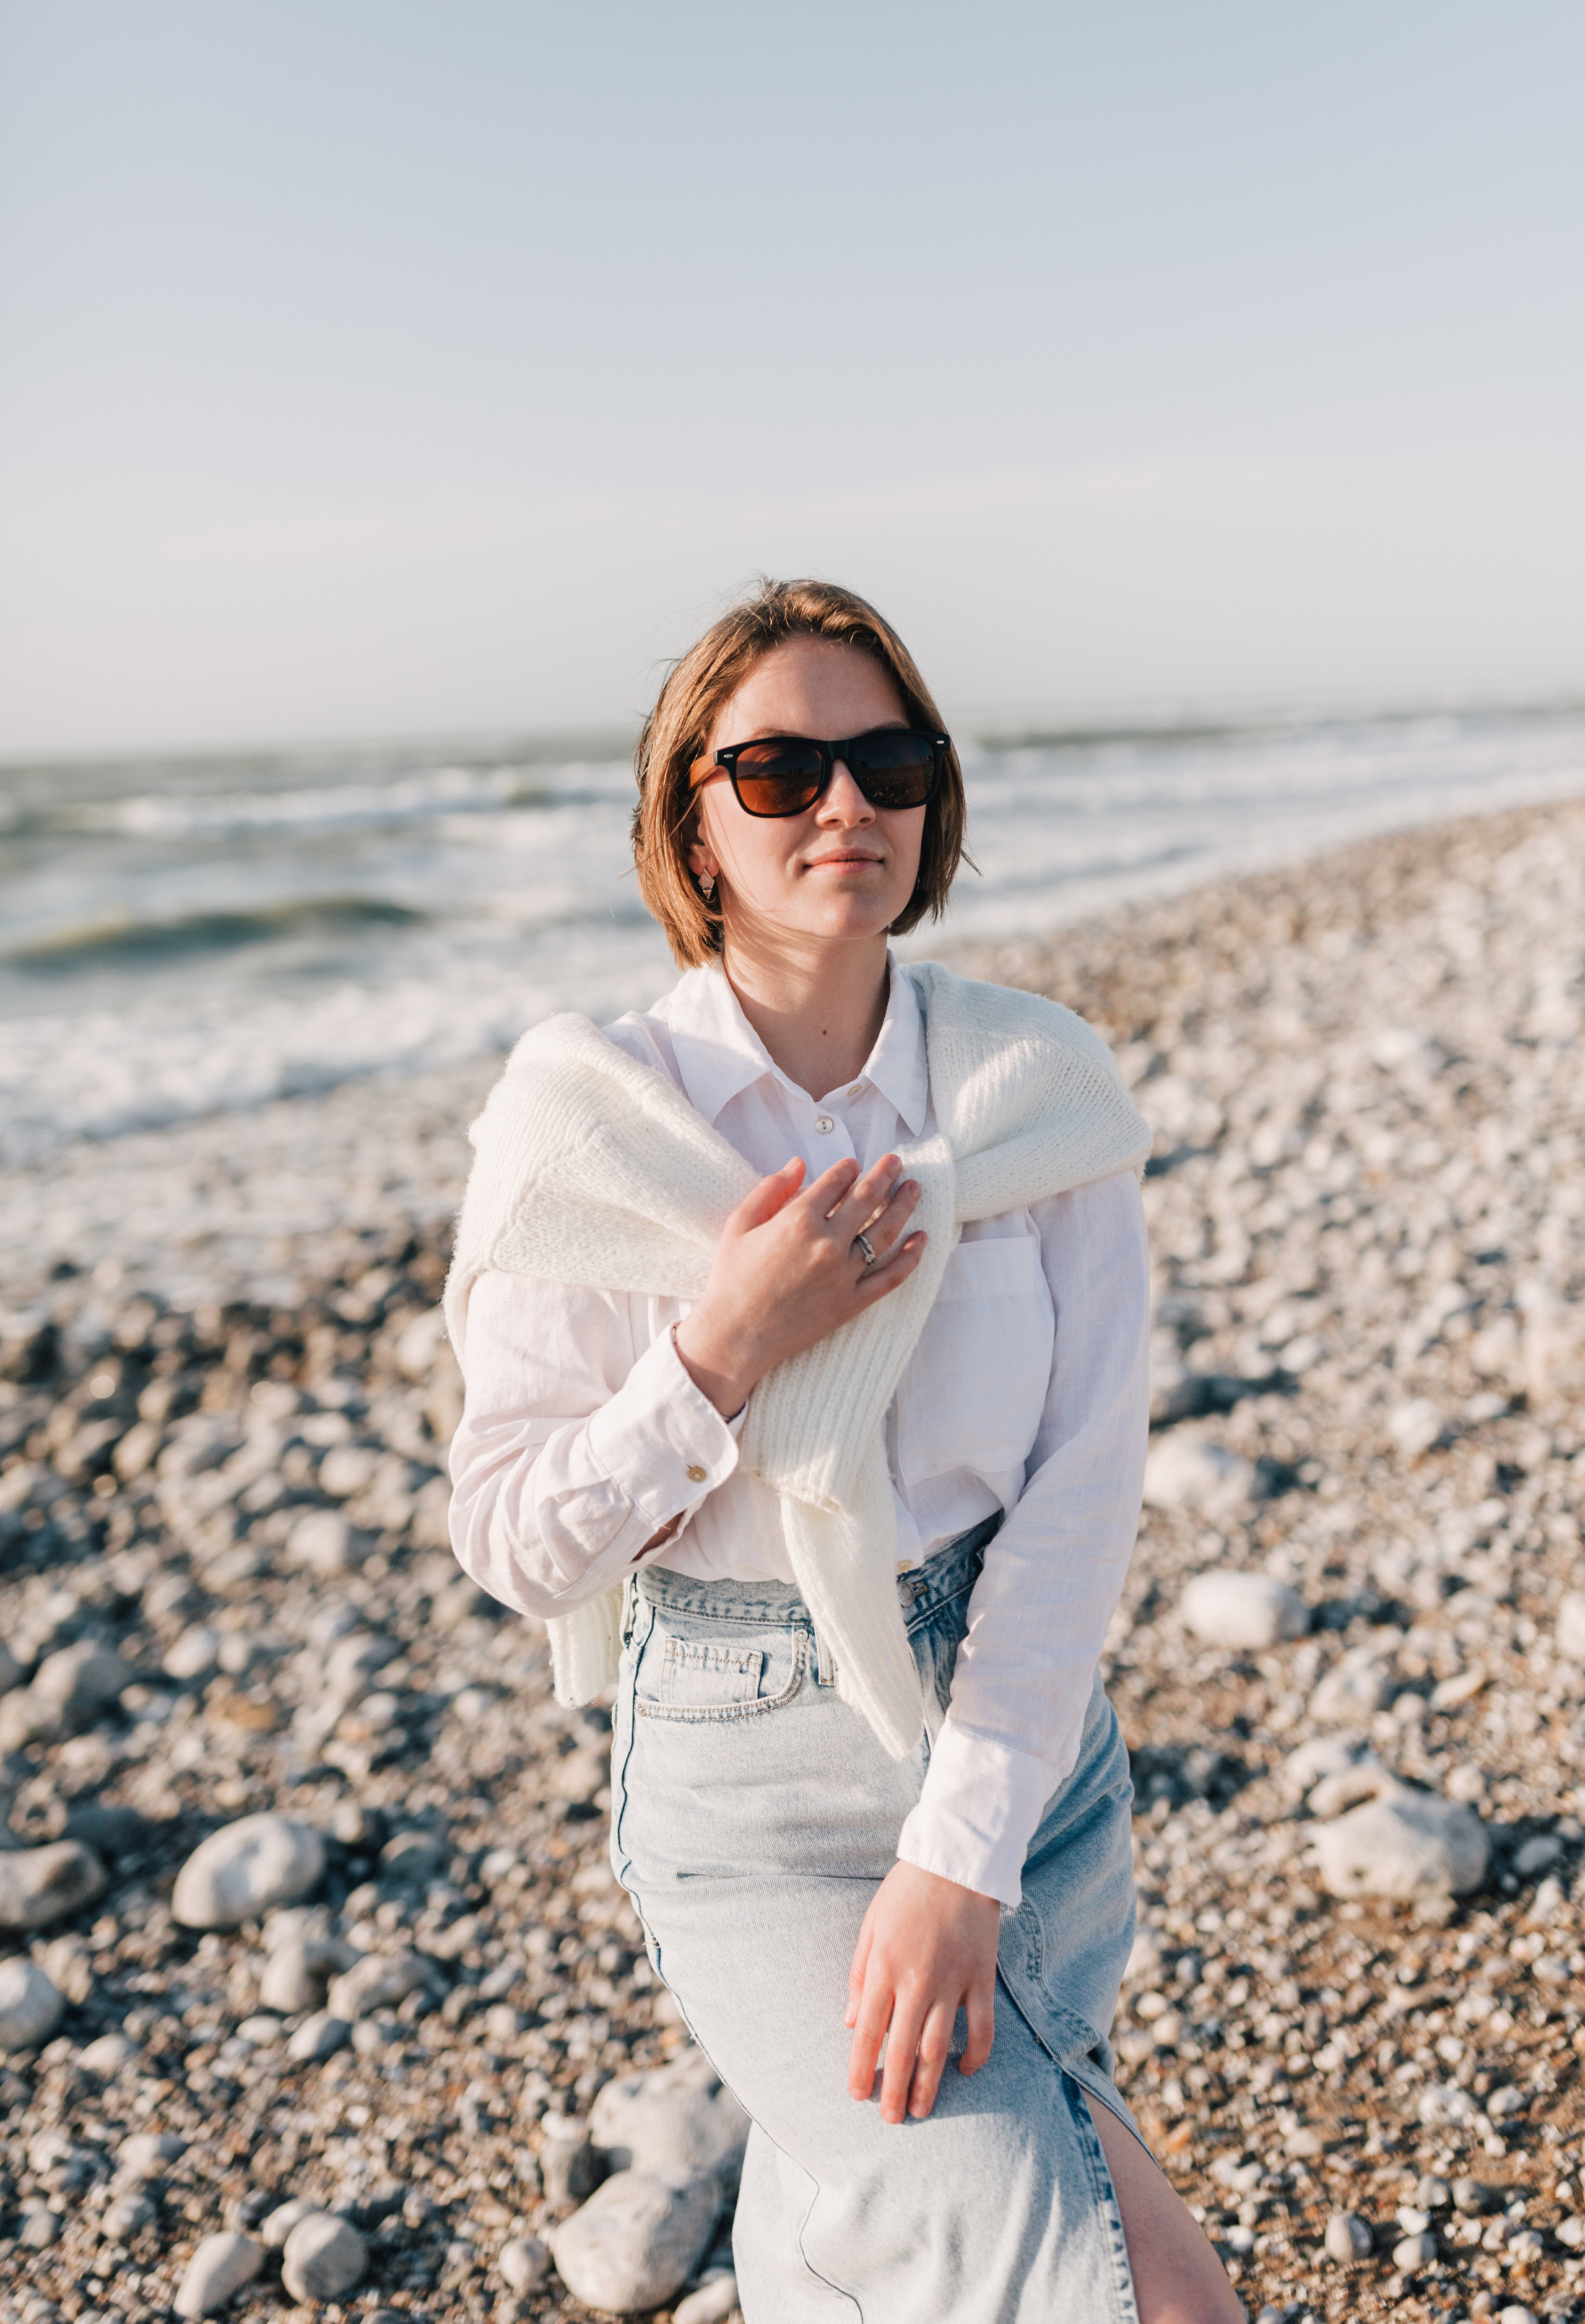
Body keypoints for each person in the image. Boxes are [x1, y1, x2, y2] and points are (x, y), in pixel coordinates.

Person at [446, 578, 1243, 2322]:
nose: (845, 807)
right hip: (752, 1795)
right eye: (779, 771)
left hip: (1027, 1754)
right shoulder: (587, 1125)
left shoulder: (1037, 1092)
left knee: (908, 2237)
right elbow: (513, 1541)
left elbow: (1082, 1495)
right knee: (1144, 2293)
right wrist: (724, 1348)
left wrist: (963, 1853)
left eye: (890, 763)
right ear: (691, 821)